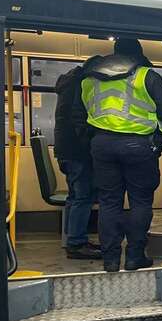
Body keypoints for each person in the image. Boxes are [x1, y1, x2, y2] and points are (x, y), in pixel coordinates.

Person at [73, 38, 162, 272]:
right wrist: (160, 131)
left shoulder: (89, 79)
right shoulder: (146, 76)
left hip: (101, 145)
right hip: (139, 145)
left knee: (108, 202)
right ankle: (134, 257)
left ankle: (110, 260)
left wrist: (93, 139)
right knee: (140, 201)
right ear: (138, 54)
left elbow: (77, 115)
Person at [54, 58, 102, 260]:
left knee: (75, 196)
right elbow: (79, 122)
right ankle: (76, 243)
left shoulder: (68, 83)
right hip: (77, 150)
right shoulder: (81, 85)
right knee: (83, 196)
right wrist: (90, 145)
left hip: (65, 148)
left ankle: (73, 239)